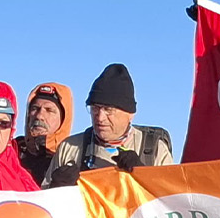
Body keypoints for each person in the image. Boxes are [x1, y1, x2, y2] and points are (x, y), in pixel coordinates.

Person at [45, 65, 176, 181]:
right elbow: (42, 204)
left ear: (130, 114)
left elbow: (171, 201)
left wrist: (144, 176)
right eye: (95, 108)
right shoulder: (70, 148)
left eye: (109, 110)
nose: (100, 117)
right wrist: (56, 189)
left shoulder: (153, 150)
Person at [15, 83, 76, 181]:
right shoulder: (11, 151)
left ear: (63, 118)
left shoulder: (73, 157)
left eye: (49, 110)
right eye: (35, 108)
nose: (39, 116)